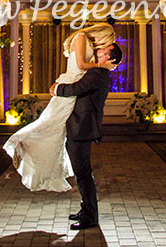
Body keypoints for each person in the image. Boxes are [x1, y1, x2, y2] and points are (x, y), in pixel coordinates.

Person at [3, 23, 117, 192]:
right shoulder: (80, 37)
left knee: (55, 127)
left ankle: (31, 150)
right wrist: (102, 66)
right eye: (106, 41)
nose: (103, 45)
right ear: (101, 33)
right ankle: (21, 142)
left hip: (74, 87)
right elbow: (80, 65)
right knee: (49, 121)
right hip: (70, 84)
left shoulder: (88, 44)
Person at [51, 42, 123, 230]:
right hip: (80, 126)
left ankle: (90, 216)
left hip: (82, 128)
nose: (98, 49)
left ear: (108, 57)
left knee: (83, 174)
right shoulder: (98, 71)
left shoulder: (98, 73)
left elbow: (77, 88)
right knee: (83, 172)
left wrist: (57, 89)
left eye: (102, 49)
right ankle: (86, 209)